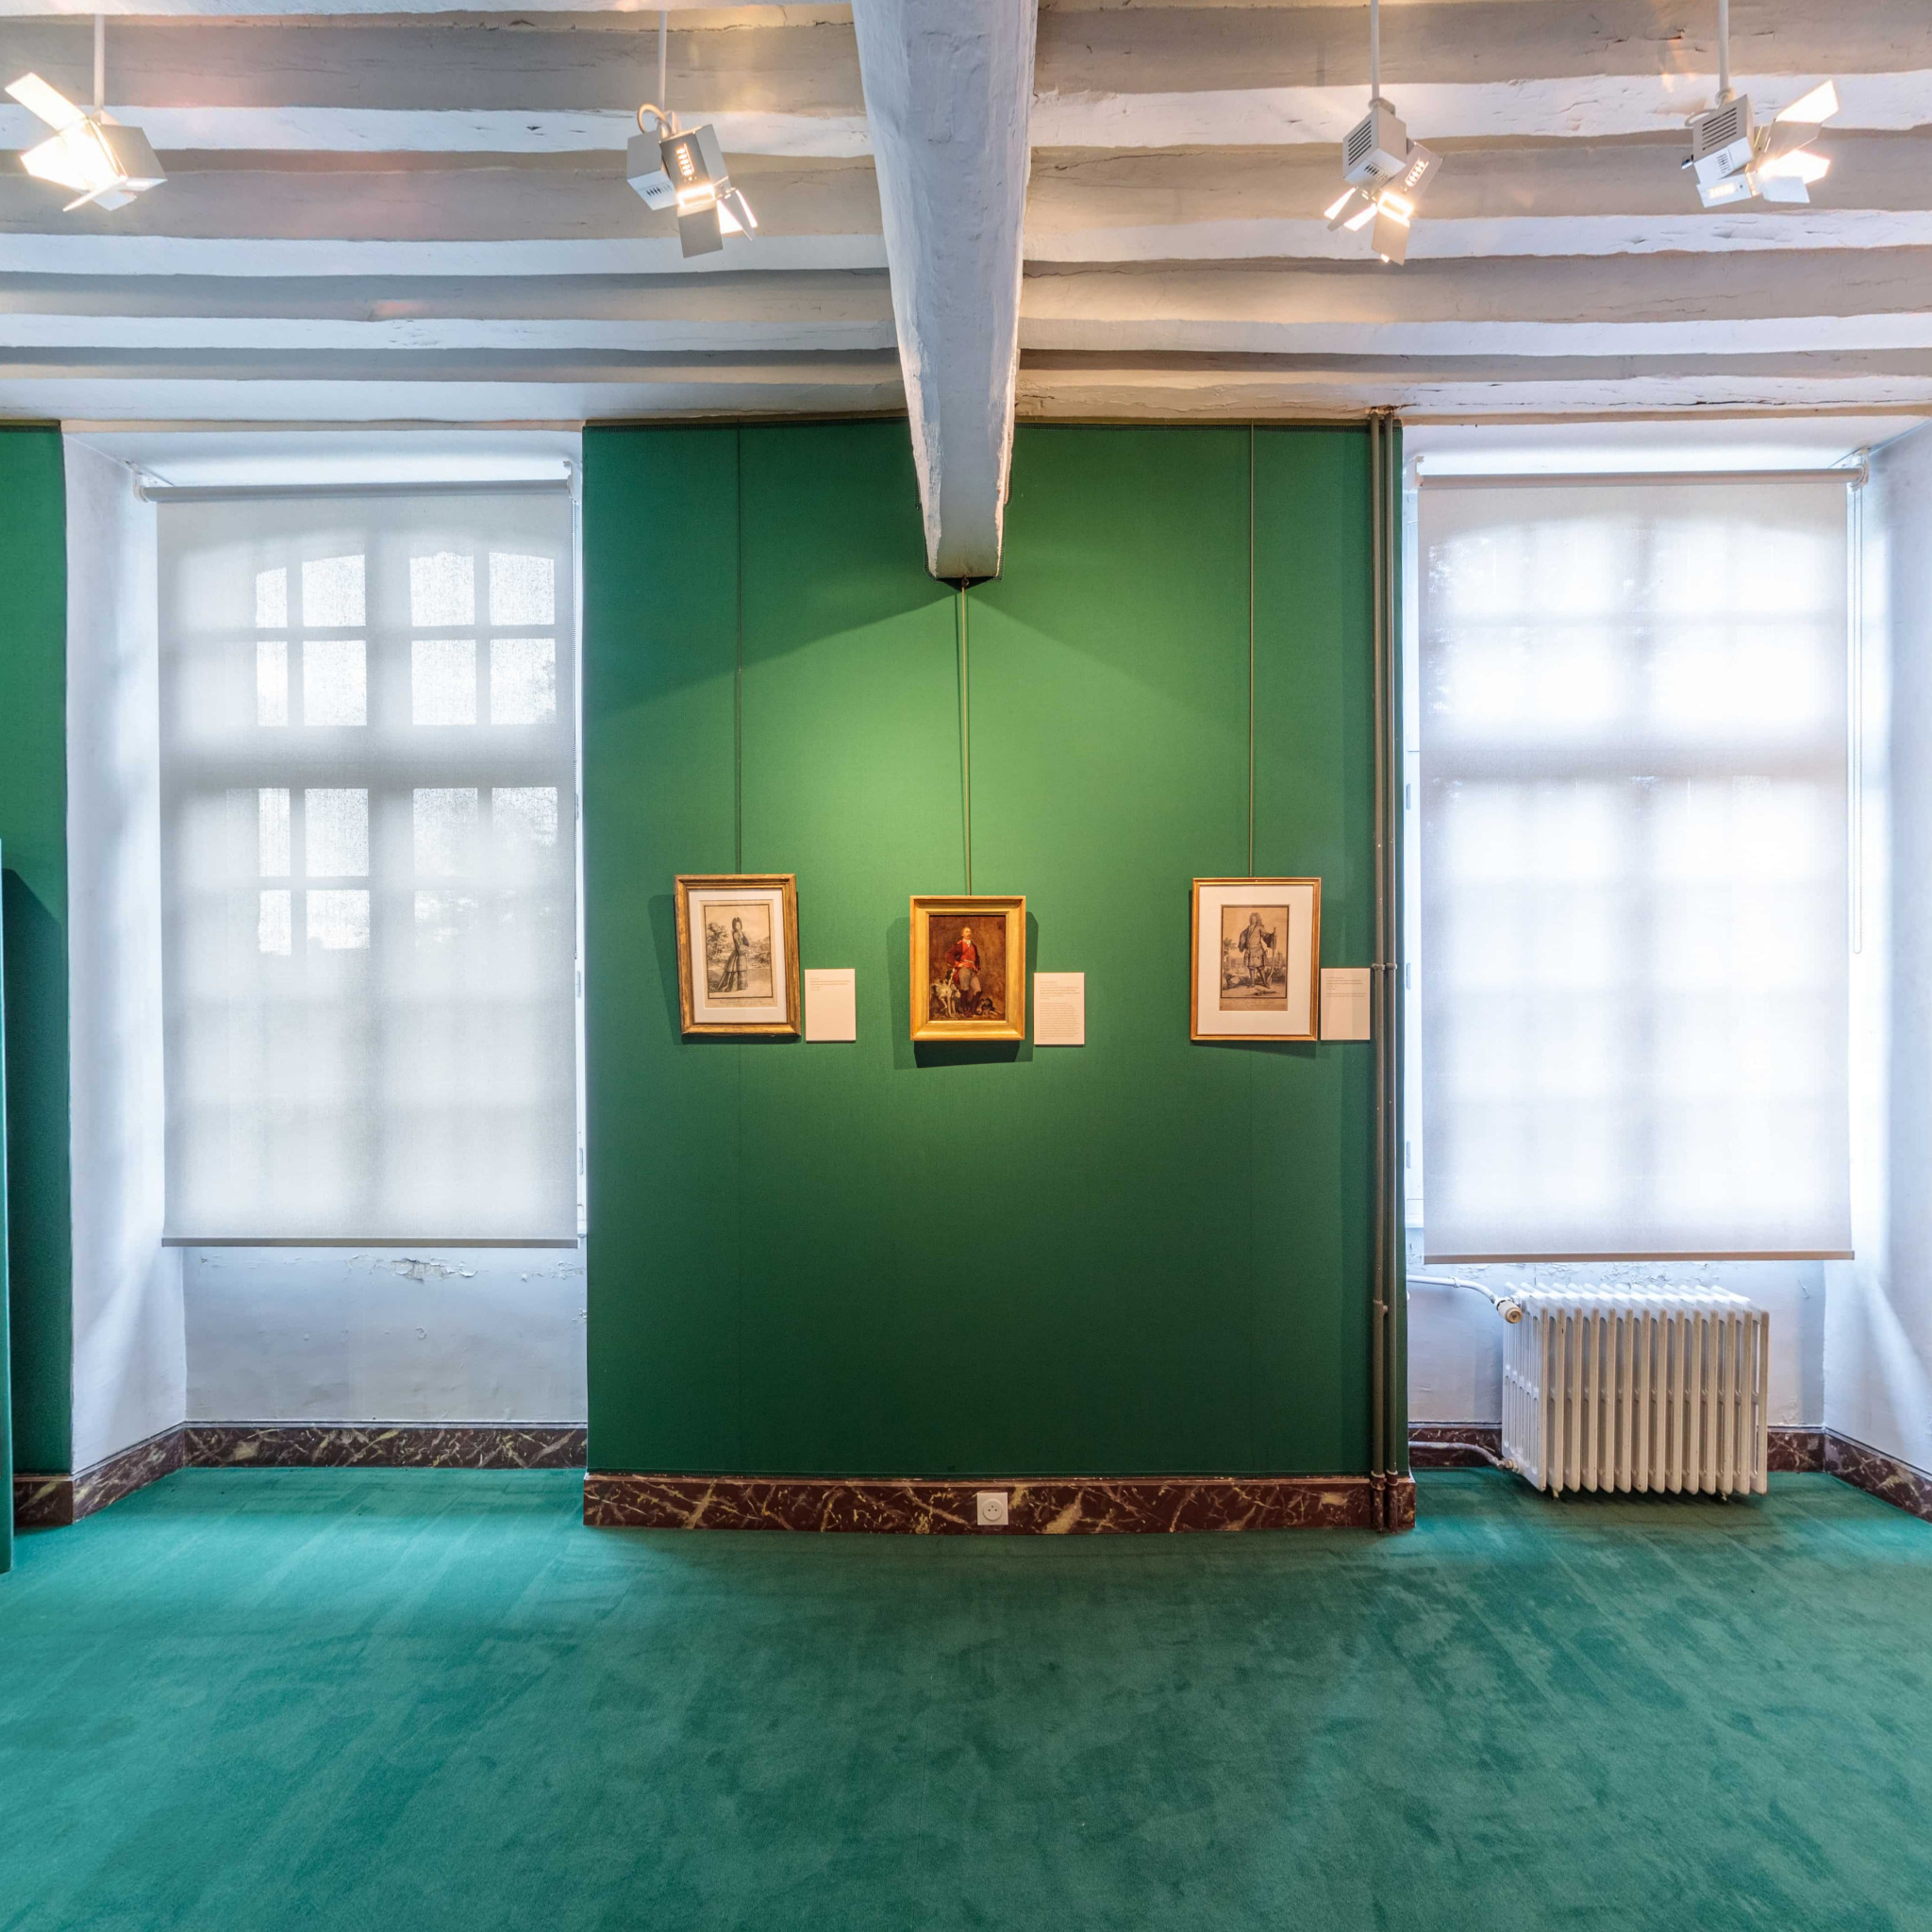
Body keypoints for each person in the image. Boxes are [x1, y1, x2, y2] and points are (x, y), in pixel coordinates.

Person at [945, 925, 982, 1008]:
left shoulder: (973, 945)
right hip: (964, 969)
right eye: (966, 932)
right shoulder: (958, 945)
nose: (968, 933)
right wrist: (958, 964)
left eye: (969, 932)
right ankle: (965, 1009)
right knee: (965, 989)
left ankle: (972, 1009)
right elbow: (948, 955)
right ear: (962, 934)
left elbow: (977, 957)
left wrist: (977, 967)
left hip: (972, 970)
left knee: (978, 990)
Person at [1236, 910, 1274, 989]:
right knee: (1251, 967)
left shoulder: (1260, 927)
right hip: (1250, 950)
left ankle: (1265, 983)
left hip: (1257, 950)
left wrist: (1272, 935)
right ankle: (1252, 983)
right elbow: (1243, 934)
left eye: (1254, 919)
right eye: (1252, 918)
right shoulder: (1249, 927)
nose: (1253, 920)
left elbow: (1265, 935)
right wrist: (1243, 939)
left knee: (1260, 967)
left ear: (1257, 919)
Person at [717, 915, 753, 992]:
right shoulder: (735, 934)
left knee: (742, 969)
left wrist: (748, 946)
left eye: (739, 925)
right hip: (738, 953)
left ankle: (742, 986)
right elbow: (739, 946)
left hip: (742, 953)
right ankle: (734, 986)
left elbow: (748, 942)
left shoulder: (743, 933)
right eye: (736, 925)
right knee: (735, 969)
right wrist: (746, 949)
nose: (738, 926)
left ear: (741, 925)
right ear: (734, 926)